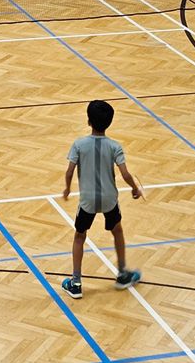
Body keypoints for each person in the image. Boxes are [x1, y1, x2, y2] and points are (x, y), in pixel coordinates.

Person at [61, 99, 142, 299]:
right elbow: (125, 173)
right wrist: (135, 188)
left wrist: (67, 189)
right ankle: (123, 274)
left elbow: (70, 171)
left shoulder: (79, 144)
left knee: (80, 236)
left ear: (89, 121)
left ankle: (76, 282)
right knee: (117, 231)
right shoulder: (115, 147)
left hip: (87, 200)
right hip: (109, 200)